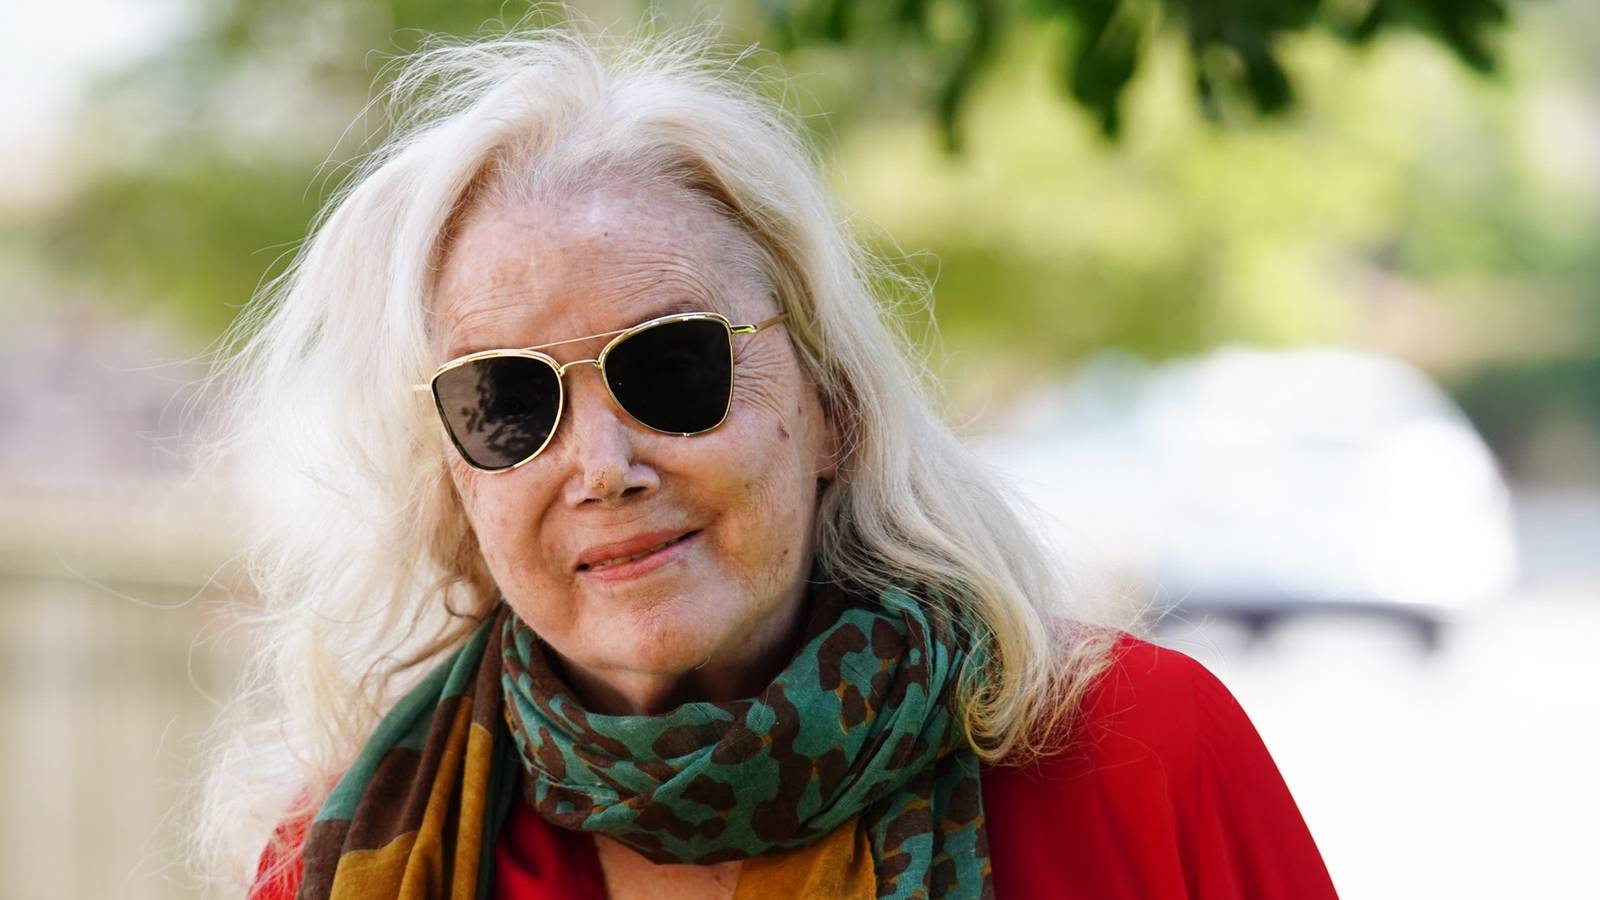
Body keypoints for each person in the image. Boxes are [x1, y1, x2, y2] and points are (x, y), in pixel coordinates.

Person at [192, 21, 1340, 900]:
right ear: (454, 480)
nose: (602, 466)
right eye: (508, 402)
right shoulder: (340, 859)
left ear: (832, 404)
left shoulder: (1141, 756)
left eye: (671, 367)